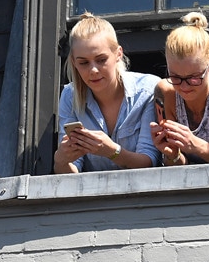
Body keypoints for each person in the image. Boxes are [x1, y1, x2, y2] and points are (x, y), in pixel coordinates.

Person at [54, 13, 162, 174]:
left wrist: (113, 152)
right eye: (83, 62)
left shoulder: (147, 90)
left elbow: (150, 161)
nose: (93, 70)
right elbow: (71, 172)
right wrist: (61, 159)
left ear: (118, 54)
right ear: (73, 62)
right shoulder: (70, 96)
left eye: (101, 59)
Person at [150, 12, 209, 166]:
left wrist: (196, 145)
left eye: (193, 78)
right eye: (175, 77)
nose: (183, 86)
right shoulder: (165, 92)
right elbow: (176, 165)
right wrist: (172, 155)